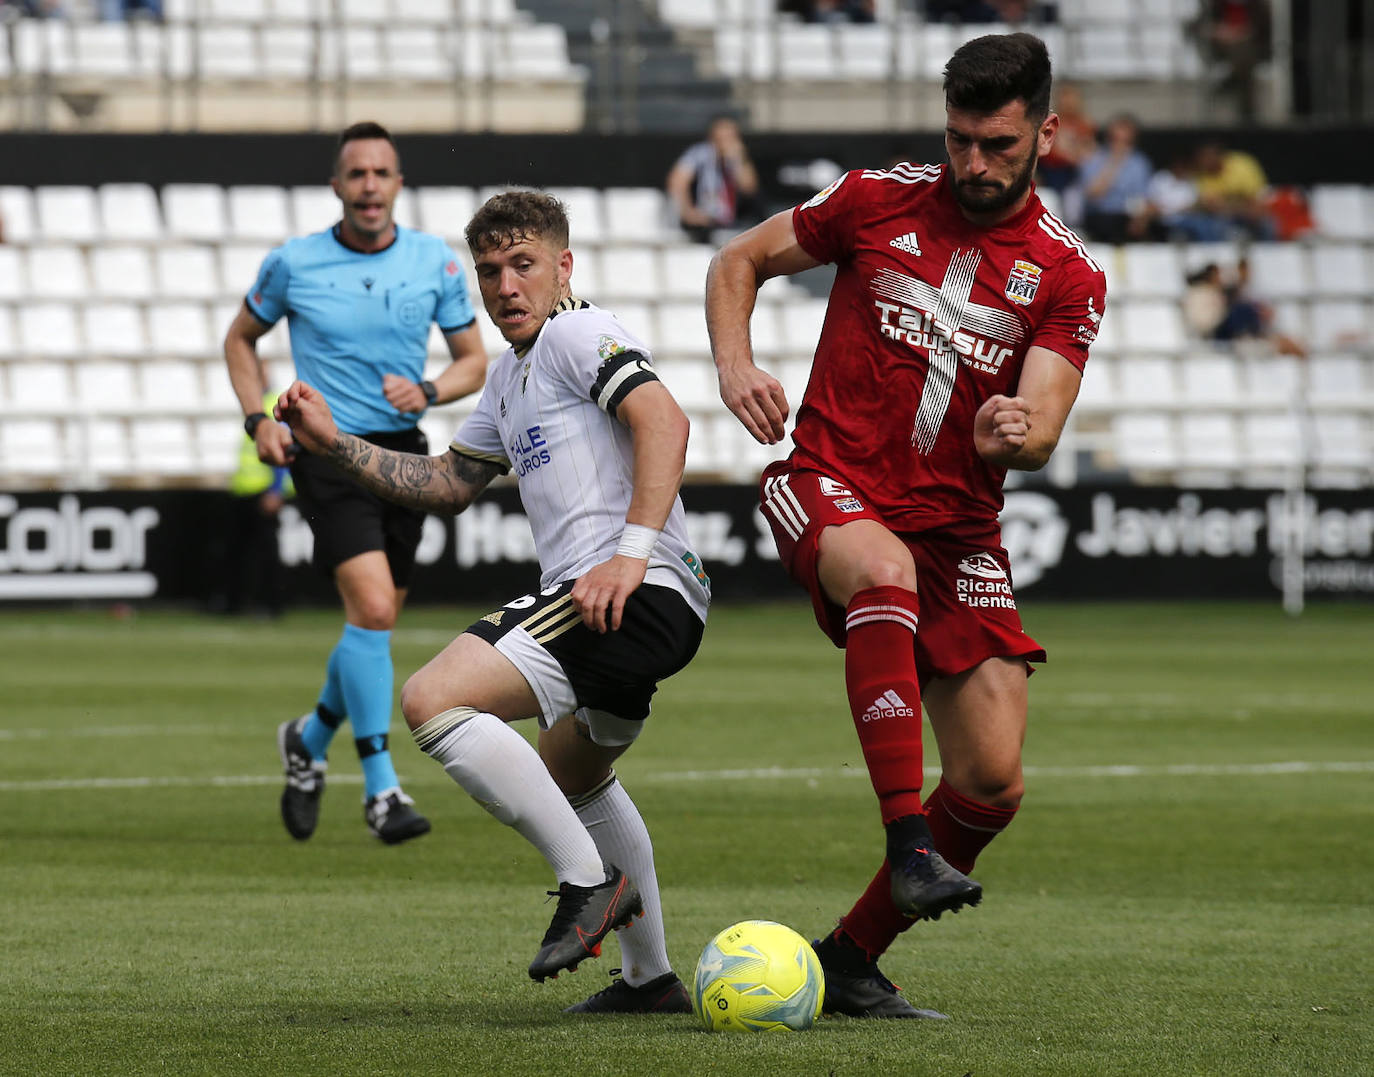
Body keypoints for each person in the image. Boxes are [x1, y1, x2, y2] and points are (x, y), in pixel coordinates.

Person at [705, 31, 1105, 1018]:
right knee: (880, 569)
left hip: (960, 532)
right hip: (830, 482)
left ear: (1045, 133)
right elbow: (738, 261)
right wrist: (736, 366)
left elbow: (1044, 424)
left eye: (998, 145)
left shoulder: (1067, 275)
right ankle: (906, 841)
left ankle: (848, 960)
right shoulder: (872, 202)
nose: (973, 163)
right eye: (960, 139)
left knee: (993, 780)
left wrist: (1019, 429)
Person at [274, 190, 711, 1011]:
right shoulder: (510, 377)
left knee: (433, 699)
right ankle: (649, 979)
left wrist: (627, 555)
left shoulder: (580, 332)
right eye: (489, 271)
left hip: (629, 587)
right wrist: (332, 443)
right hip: (635, 602)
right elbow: (446, 483)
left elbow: (667, 422)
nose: (505, 285)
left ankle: (588, 882)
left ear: (563, 267)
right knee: (573, 772)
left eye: (523, 264)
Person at [223, 121, 488, 845]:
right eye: (357, 173)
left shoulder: (434, 261)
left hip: (402, 453)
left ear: (398, 185)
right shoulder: (295, 262)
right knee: (372, 608)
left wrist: (430, 391)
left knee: (373, 624)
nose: (369, 185)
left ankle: (307, 741)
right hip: (325, 451)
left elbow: (474, 359)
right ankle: (382, 791)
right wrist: (258, 421)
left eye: (382, 173)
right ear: (337, 186)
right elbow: (239, 339)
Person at [211, 391, 292, 619]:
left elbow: (281, 450)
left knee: (267, 553)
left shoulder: (272, 403)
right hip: (243, 490)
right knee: (239, 552)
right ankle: (235, 602)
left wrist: (276, 490)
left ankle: (272, 605)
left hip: (263, 492)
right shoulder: (252, 403)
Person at [665, 115, 762, 245]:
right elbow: (676, 182)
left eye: (730, 138)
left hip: (731, 221)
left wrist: (738, 160)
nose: (724, 143)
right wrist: (688, 212)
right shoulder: (699, 154)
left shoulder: (737, 158)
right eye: (720, 138)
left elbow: (749, 188)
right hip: (705, 222)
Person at [1074, 113, 1154, 244]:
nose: (1121, 144)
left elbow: (1145, 198)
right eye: (1116, 139)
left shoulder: (1139, 163)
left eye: (1126, 141)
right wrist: (1115, 162)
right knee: (1108, 224)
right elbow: (1093, 193)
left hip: (1129, 218)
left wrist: (1141, 220)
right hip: (1100, 217)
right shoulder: (1093, 158)